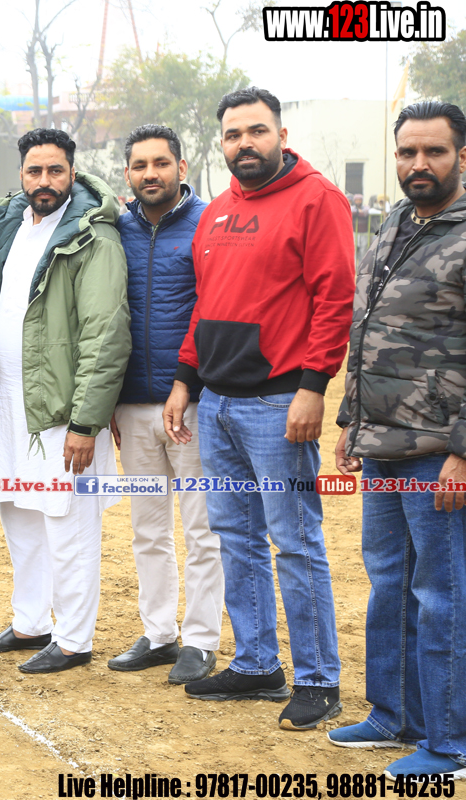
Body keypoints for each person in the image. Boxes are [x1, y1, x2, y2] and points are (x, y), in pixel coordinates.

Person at [163, 86, 354, 730]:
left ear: (280, 135)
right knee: (236, 540)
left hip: (279, 403)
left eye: (257, 131)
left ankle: (318, 677)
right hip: (217, 402)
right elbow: (206, 306)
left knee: (295, 543)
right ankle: (256, 664)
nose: (244, 143)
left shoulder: (317, 199)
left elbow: (334, 299)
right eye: (233, 134)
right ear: (221, 143)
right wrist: (185, 380)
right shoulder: (217, 211)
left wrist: (313, 385)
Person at [330, 101, 466, 780]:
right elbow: (368, 332)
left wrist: (463, 451)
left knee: (441, 595)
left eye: (434, 151)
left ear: (461, 157)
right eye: (408, 152)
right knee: (388, 583)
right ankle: (394, 715)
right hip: (383, 443)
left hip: (439, 450)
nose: (419, 164)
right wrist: (350, 422)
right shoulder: (393, 224)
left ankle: (449, 742)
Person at [0, 128, 130, 674]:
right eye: (35, 171)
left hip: (64, 408)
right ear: (21, 174)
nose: (44, 180)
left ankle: (74, 639)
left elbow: (105, 333)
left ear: (72, 173)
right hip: (14, 401)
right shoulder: (11, 225)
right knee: (19, 513)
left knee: (67, 521)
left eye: (55, 171)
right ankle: (30, 622)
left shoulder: (92, 235)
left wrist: (86, 422)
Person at [107, 124, 222, 684]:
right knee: (148, 530)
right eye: (139, 165)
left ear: (181, 167)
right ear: (128, 173)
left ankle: (200, 640)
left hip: (192, 405)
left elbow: (211, 308)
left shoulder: (209, 223)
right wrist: (109, 399)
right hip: (132, 405)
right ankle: (159, 635)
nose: (150, 173)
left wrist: (185, 382)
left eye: (160, 163)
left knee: (203, 530)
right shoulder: (116, 230)